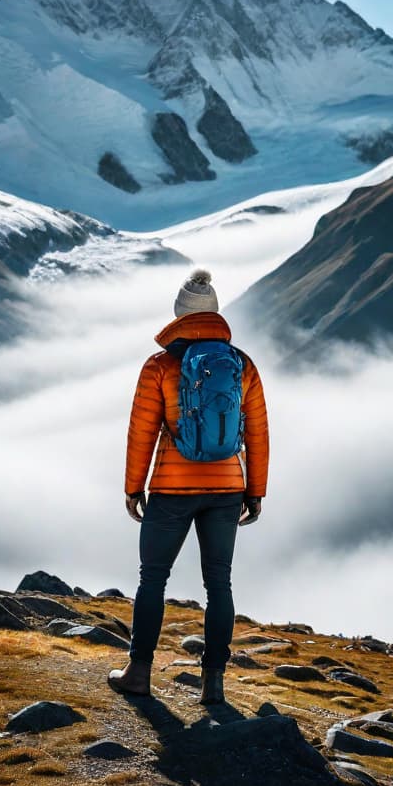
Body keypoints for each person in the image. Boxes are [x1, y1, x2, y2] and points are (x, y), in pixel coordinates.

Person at [108, 269, 269, 704]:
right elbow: (256, 431)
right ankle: (212, 684)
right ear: (214, 314)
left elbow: (141, 431)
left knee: (152, 580)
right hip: (226, 488)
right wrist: (255, 491)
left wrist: (132, 487)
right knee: (219, 584)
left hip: (171, 489)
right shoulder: (241, 364)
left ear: (179, 315)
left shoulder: (159, 366)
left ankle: (138, 673)